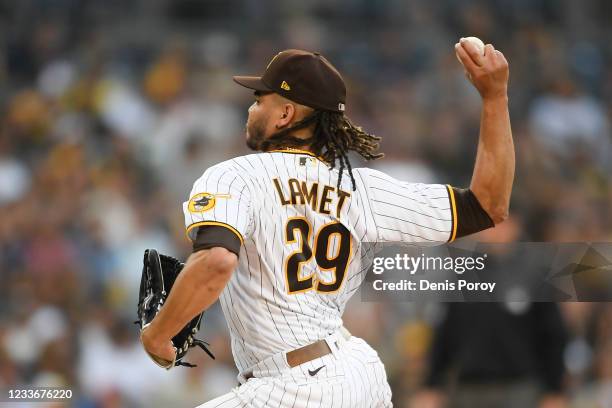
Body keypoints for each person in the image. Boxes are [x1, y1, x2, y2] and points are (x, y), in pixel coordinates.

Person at [140, 40, 514, 407]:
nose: (252, 109)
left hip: (291, 387)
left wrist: (159, 334)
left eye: (259, 100)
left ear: (285, 114)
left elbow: (217, 261)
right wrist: (495, 98)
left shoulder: (235, 176)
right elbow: (487, 206)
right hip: (357, 374)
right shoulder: (362, 189)